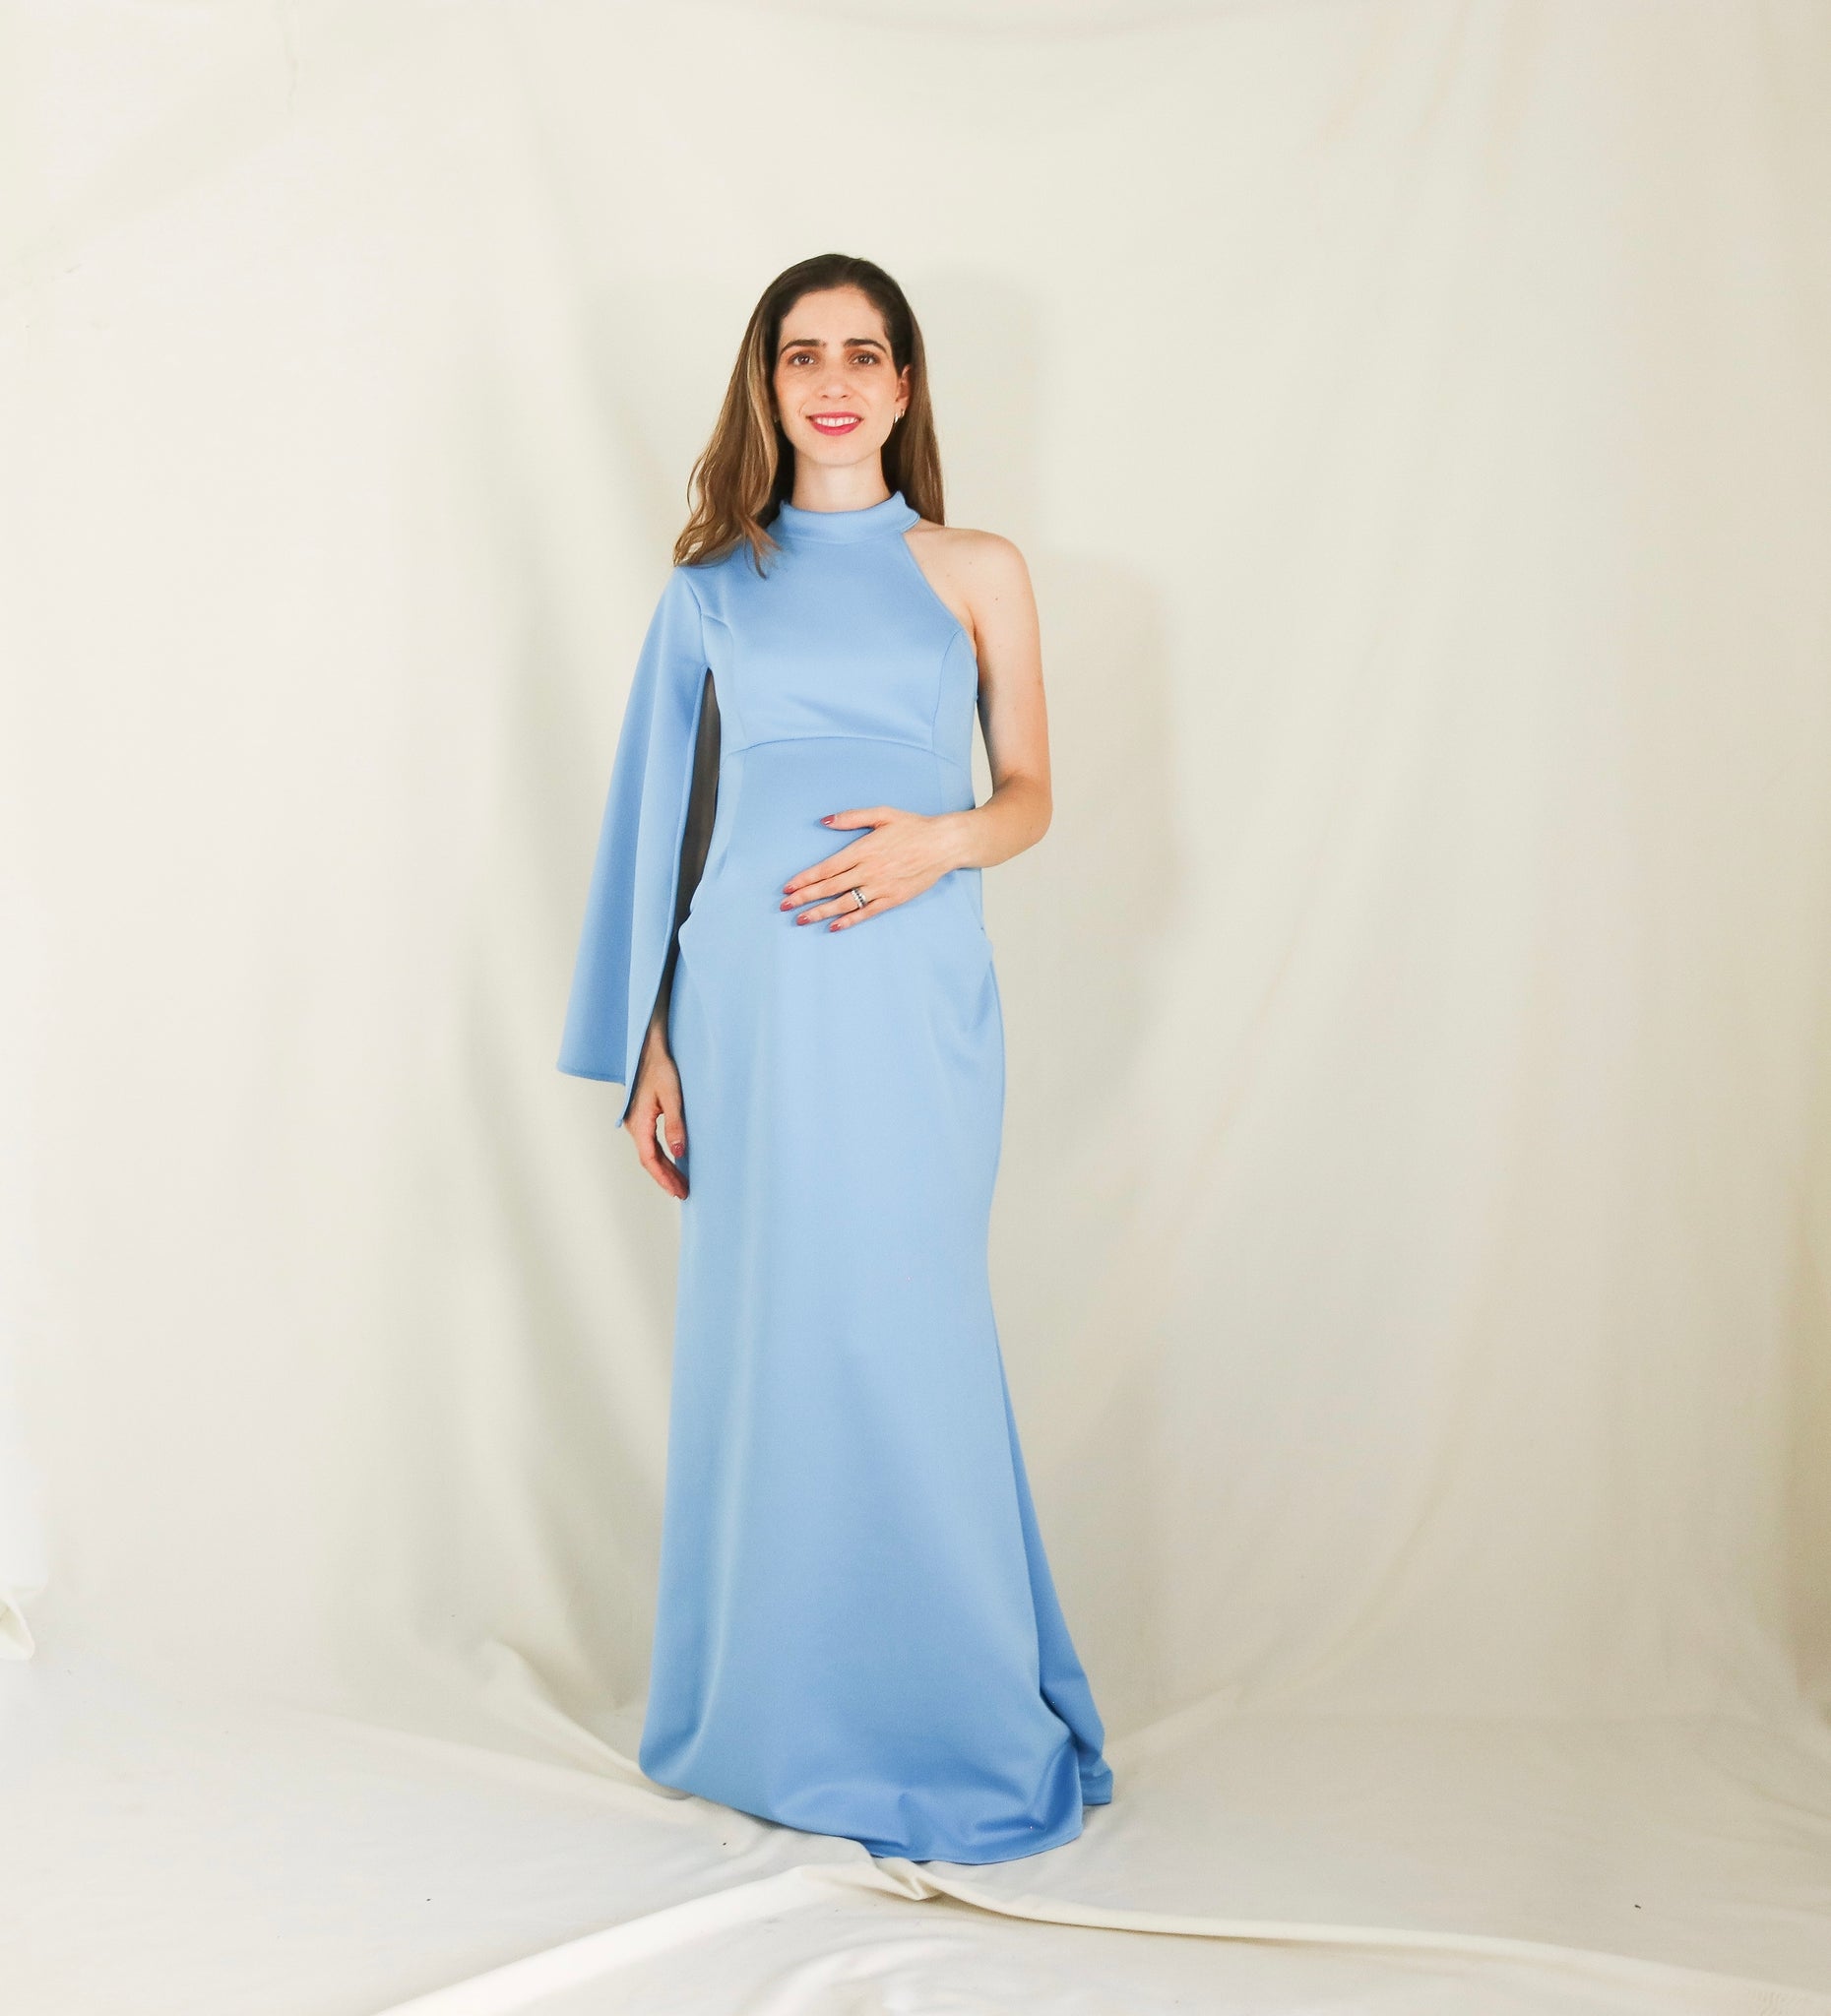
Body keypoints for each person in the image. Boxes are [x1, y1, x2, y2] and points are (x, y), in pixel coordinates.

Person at [557, 252, 1113, 1863]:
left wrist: (940, 840)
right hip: (747, 1002)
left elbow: (1031, 793)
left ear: (906, 383)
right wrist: (650, 1044)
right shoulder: (710, 588)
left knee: (906, 1326)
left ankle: (949, 1704)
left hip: (913, 997)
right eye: (803, 355)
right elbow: (659, 824)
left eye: (865, 353)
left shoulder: (976, 568)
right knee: (773, 1344)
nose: (835, 382)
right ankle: (770, 1714)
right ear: (767, 384)